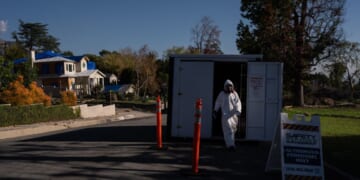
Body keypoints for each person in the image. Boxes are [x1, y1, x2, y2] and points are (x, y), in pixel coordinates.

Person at [213, 79, 242, 151]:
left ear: (232, 87)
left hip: (233, 116)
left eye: (230, 86)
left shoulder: (234, 94)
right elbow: (218, 103)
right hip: (225, 116)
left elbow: (238, 103)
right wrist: (215, 110)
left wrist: (238, 111)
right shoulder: (222, 94)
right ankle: (230, 145)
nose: (229, 88)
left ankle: (231, 144)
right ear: (225, 87)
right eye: (227, 86)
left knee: (233, 131)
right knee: (227, 131)